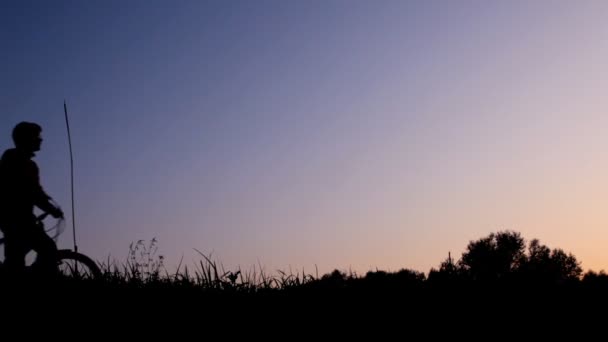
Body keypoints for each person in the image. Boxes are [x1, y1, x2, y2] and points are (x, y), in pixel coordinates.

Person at [0, 121, 64, 277]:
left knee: (21, 257)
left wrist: (50, 206)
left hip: (23, 218)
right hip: (13, 218)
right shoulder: (12, 158)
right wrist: (50, 208)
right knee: (45, 249)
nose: (40, 139)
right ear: (26, 139)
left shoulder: (30, 165)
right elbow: (29, 190)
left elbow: (36, 191)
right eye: (37, 136)